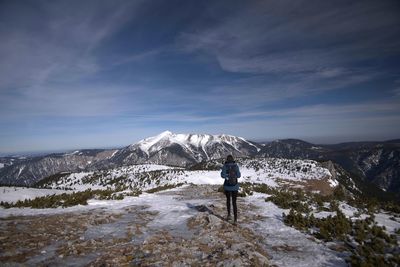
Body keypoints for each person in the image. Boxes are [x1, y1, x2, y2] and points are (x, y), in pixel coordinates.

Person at [221, 155, 241, 224]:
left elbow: (222, 176)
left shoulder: (225, 166)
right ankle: (235, 220)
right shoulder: (236, 166)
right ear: (233, 159)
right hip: (235, 187)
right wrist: (234, 175)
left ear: (227, 159)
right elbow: (239, 175)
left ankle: (229, 215)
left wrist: (227, 176)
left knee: (228, 200)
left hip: (227, 186)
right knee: (234, 202)